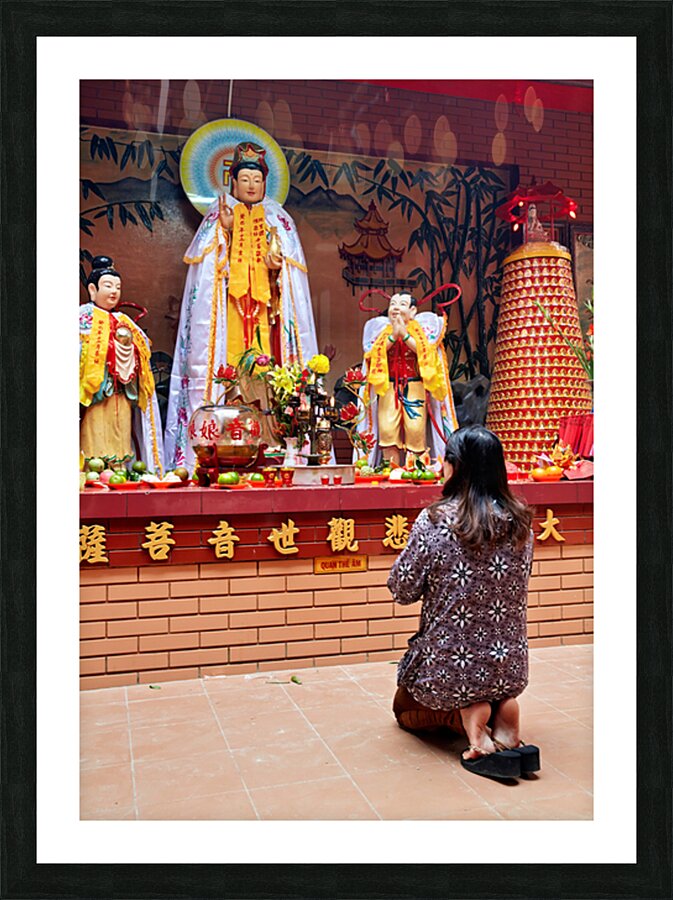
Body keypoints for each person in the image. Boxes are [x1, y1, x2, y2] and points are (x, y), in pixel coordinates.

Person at [388, 425, 540, 779]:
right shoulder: (521, 523)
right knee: (492, 687)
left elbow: (402, 589)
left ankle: (474, 720)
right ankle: (502, 711)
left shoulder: (437, 520)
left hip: (451, 670)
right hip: (509, 667)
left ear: (455, 467)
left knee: (403, 710)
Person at [164, 140, 319, 469]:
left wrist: (277, 265)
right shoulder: (217, 216)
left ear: (265, 184)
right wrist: (225, 231)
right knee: (229, 370)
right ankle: (220, 446)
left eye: (257, 179)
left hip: (265, 314)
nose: (251, 185)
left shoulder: (278, 219)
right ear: (232, 181)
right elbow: (208, 271)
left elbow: (288, 275)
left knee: (265, 374)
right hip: (229, 313)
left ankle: (270, 441)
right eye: (245, 178)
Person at [79, 256, 164, 472]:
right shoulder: (83, 317)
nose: (114, 292)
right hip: (97, 390)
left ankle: (119, 468)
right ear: (92, 290)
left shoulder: (125, 320)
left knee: (121, 429)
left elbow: (143, 350)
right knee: (95, 429)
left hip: (123, 389)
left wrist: (126, 349)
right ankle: (92, 469)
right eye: (108, 286)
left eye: (118, 287)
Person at [360, 290, 458, 468]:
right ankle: (391, 470)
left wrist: (404, 335)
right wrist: (393, 336)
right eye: (393, 304)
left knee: (415, 429)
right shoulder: (382, 332)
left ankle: (416, 469)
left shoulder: (422, 332)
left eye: (402, 304)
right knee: (387, 430)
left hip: (414, 385)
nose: (396, 308)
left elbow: (426, 353)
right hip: (388, 387)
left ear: (413, 311)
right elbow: (373, 354)